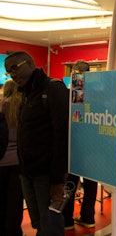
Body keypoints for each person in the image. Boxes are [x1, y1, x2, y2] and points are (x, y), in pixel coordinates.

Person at [4, 51, 69, 236]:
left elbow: (62, 135)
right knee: (40, 224)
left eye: (15, 68)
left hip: (47, 175)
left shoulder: (52, 89)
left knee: (51, 225)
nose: (13, 74)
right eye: (9, 72)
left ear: (30, 63)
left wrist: (57, 180)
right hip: (27, 172)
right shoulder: (26, 93)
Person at [63, 60, 98, 230]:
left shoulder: (75, 91)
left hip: (75, 144)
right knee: (91, 183)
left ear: (75, 72)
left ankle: (67, 220)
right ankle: (88, 217)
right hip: (93, 144)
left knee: (70, 181)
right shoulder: (98, 93)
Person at [0, 79, 23, 236]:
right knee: (15, 202)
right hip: (19, 161)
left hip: (1, 160)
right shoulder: (23, 107)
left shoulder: (2, 107)